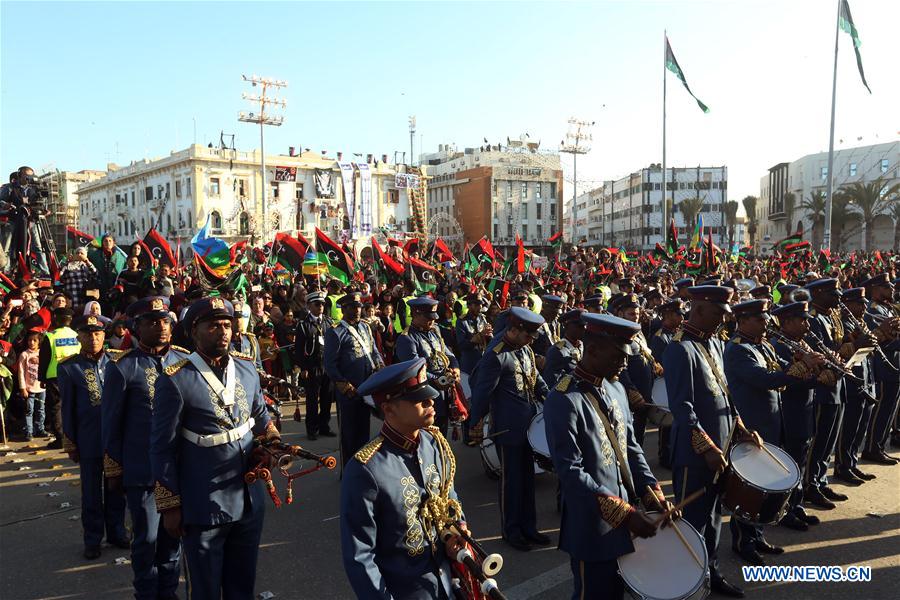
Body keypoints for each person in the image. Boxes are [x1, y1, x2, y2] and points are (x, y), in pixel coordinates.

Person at [150, 297, 279, 600]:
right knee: (205, 588)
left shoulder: (247, 370)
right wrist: (170, 504)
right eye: (213, 326)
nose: (222, 332)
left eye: (226, 325)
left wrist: (272, 439)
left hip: (248, 497)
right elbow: (161, 448)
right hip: (202, 500)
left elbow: (260, 415)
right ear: (194, 332)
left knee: (242, 584)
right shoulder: (176, 379)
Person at [544, 313, 677, 599]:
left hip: (625, 519)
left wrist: (652, 491)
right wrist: (625, 514)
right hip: (593, 528)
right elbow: (570, 472)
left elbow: (629, 447)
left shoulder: (616, 388)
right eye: (618, 356)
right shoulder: (564, 399)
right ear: (591, 350)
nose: (624, 363)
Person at [340, 358, 470, 599]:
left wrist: (457, 529)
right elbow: (360, 555)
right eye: (417, 399)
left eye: (429, 394)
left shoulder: (435, 444)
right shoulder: (365, 469)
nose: (431, 401)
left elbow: (448, 497)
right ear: (388, 408)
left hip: (447, 583)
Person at [662, 285, 759, 598]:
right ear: (700, 309)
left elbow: (726, 396)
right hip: (696, 454)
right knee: (693, 522)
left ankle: (710, 571)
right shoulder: (679, 348)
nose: (723, 320)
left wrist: (741, 427)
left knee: (715, 516)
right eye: (718, 313)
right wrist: (705, 447)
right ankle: (687, 582)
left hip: (722, 446)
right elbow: (682, 407)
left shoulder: (714, 343)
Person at [102, 297, 189, 600]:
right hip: (142, 472)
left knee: (174, 536)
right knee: (147, 539)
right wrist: (113, 470)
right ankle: (146, 593)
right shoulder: (122, 368)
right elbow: (110, 424)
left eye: (165, 320)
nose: (161, 327)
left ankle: (168, 591)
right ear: (136, 327)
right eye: (152, 322)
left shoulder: (184, 360)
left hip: (179, 468)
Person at [723, 299, 821, 565]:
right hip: (753, 424)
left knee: (766, 485)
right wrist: (799, 369)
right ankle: (743, 541)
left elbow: (780, 366)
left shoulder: (762, 344)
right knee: (751, 487)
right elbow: (764, 379)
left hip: (772, 422)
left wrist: (805, 360)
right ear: (743, 321)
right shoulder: (737, 349)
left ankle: (757, 535)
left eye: (766, 319)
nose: (767, 323)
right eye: (761, 319)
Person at [469, 306, 550, 552]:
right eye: (527, 335)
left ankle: (529, 527)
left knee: (527, 478)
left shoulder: (524, 349)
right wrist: (474, 422)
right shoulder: (495, 355)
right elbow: (482, 392)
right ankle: (511, 531)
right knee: (512, 482)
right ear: (513, 330)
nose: (530, 340)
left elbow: (536, 381)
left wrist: (551, 398)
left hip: (528, 425)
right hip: (507, 428)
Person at [59, 314, 129, 559]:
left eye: (98, 333)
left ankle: (117, 531)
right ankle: (92, 539)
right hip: (88, 439)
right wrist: (70, 440)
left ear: (104, 335)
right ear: (79, 336)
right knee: (90, 492)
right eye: (88, 334)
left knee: (116, 488)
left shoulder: (118, 361)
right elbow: (67, 408)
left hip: (116, 440)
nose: (93, 338)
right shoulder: (69, 367)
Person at [769, 301, 823, 529]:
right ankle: (783, 510)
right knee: (788, 464)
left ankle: (796, 504)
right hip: (790, 411)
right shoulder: (780, 345)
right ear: (788, 322)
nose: (807, 324)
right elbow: (787, 381)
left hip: (805, 410)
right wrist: (816, 378)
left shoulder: (800, 342)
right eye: (803, 320)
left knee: (799, 462)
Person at [324, 291, 385, 467]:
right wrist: (343, 384)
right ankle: (349, 469)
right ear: (343, 309)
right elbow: (329, 364)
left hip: (367, 386)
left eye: (359, 307)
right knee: (349, 432)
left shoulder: (365, 327)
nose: (357, 310)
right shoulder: (336, 332)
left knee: (364, 429)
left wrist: (380, 366)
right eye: (353, 307)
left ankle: (362, 467)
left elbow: (373, 351)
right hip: (349, 391)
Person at [394, 297, 461, 436]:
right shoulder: (407, 338)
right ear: (416, 314)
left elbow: (448, 354)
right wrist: (438, 379)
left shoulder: (434, 331)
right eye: (428, 317)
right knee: (426, 435)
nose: (433, 321)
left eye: (434, 317)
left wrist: (455, 368)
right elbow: (414, 369)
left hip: (443, 390)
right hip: (424, 394)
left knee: (441, 432)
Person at [834, 288, 878, 485]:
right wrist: (860, 342)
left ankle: (851, 463)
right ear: (849, 304)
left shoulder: (859, 322)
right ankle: (843, 466)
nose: (864, 306)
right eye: (859, 303)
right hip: (852, 383)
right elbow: (842, 355)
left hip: (865, 379)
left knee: (860, 427)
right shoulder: (843, 324)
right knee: (849, 428)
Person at [861, 273, 900, 465]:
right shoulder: (873, 311)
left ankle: (879, 446)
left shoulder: (888, 309)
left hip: (894, 367)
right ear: (875, 290)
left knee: (890, 409)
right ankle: (872, 448)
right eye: (887, 286)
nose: (892, 289)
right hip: (884, 367)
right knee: (882, 410)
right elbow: (882, 342)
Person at [293, 290, 335, 440]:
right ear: (309, 306)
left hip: (327, 366)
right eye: (317, 304)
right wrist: (302, 367)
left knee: (326, 399)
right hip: (312, 367)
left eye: (323, 304)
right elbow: (298, 349)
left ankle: (324, 426)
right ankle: (312, 429)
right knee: (312, 401)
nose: (321, 307)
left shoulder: (329, 322)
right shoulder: (304, 325)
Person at [38, 307, 80, 449]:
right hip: (75, 374)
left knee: (56, 407)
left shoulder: (50, 336)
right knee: (74, 405)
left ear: (55, 319)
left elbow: (44, 359)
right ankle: (75, 437)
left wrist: (41, 378)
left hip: (54, 375)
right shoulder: (76, 335)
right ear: (70, 320)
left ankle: (61, 438)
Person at [541, 308, 585, 387]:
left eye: (585, 326)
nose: (583, 329)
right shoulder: (557, 351)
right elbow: (551, 383)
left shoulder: (581, 345)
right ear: (567, 325)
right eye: (579, 326)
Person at [17, 330, 46, 441]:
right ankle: (29, 431)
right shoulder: (24, 355)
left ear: (39, 342)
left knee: (41, 409)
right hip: (29, 388)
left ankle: (40, 429)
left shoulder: (42, 353)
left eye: (35, 340)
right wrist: (23, 388)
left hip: (41, 387)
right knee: (29, 410)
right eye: (30, 340)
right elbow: (20, 372)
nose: (32, 342)